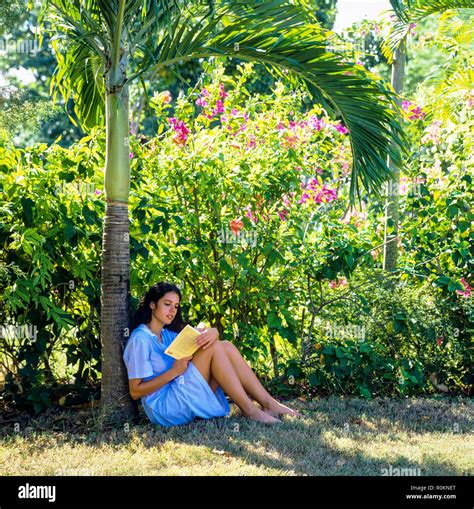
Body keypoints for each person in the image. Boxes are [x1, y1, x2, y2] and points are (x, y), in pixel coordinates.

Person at [123, 281, 303, 427]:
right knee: (215, 347)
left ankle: (269, 404)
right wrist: (173, 372)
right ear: (152, 305)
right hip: (164, 407)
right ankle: (250, 411)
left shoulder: (167, 334)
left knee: (225, 346)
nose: (172, 311)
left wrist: (213, 332)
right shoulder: (140, 339)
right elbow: (135, 392)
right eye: (167, 304)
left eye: (176, 306)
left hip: (180, 389)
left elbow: (199, 343)